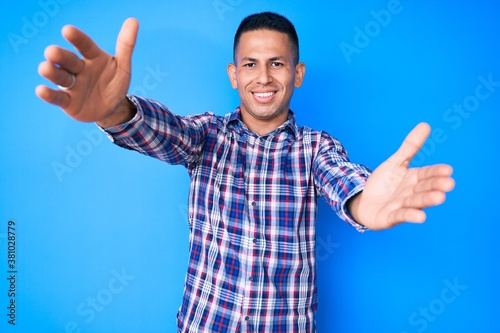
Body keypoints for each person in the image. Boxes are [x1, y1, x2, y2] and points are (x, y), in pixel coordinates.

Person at [36, 12, 454, 333]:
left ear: (297, 73)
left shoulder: (316, 148)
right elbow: (163, 132)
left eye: (277, 63)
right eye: (250, 64)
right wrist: (114, 109)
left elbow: (343, 180)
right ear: (234, 76)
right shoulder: (206, 135)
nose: (264, 77)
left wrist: (364, 203)